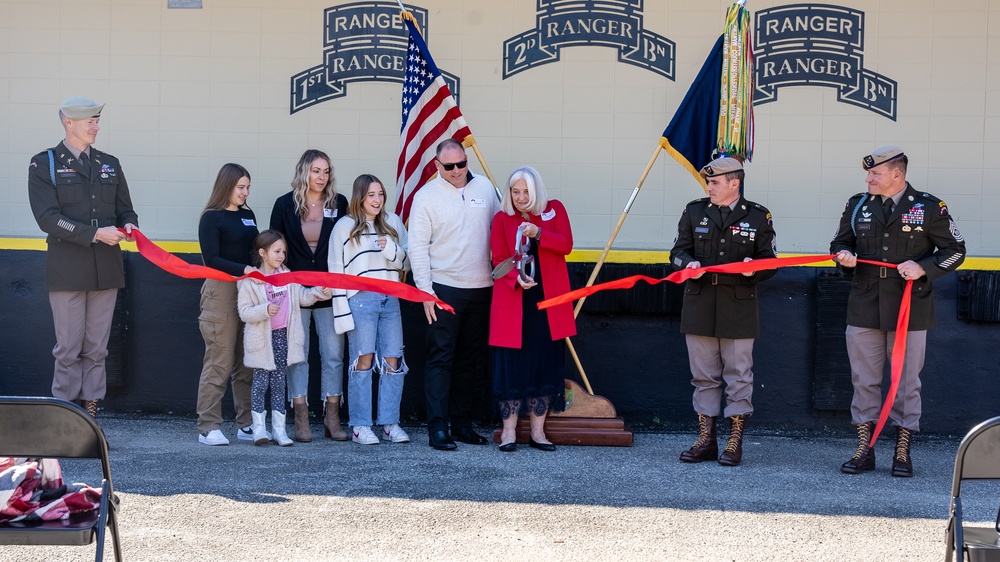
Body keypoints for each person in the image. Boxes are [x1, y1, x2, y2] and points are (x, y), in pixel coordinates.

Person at [831, 146, 965, 478]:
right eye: (868, 173)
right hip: (864, 304)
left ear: (897, 174)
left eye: (875, 174)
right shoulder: (857, 204)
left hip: (910, 306)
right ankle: (865, 447)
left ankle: (902, 450)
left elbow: (956, 251)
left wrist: (923, 268)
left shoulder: (930, 207)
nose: (868, 179)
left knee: (906, 383)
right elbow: (839, 243)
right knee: (864, 380)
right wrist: (844, 256)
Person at [28, 97, 138, 418]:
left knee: (97, 348)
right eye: (89, 121)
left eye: (97, 120)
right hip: (67, 269)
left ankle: (90, 413)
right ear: (68, 122)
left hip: (106, 268)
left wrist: (130, 224)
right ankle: (66, 415)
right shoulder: (45, 163)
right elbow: (47, 218)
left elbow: (125, 208)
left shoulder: (109, 163)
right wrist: (94, 234)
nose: (96, 126)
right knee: (67, 350)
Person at [669, 157, 777, 467]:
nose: (709, 187)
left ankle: (734, 441)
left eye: (715, 182)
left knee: (738, 377)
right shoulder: (694, 211)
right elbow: (677, 251)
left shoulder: (758, 216)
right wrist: (686, 264)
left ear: (734, 183)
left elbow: (769, 261)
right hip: (699, 302)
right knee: (703, 377)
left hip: (738, 304)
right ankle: (706, 440)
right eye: (709, 182)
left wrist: (752, 271)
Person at [408, 139, 501, 450]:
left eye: (462, 163)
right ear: (437, 166)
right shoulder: (425, 197)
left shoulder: (486, 188)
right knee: (441, 360)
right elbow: (417, 247)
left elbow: (501, 231)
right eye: (450, 166)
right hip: (443, 290)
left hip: (482, 288)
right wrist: (425, 292)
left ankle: (462, 425)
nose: (458, 170)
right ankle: (438, 429)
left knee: (469, 362)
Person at [489, 166, 575, 452]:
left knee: (543, 364)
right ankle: (509, 432)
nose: (521, 197)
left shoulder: (554, 210)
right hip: (513, 301)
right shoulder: (502, 219)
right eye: (515, 192)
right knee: (511, 366)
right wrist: (517, 278)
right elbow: (499, 260)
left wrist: (539, 233)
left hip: (547, 304)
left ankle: (539, 433)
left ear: (536, 190)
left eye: (526, 191)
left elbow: (566, 245)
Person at [269, 149, 349, 442]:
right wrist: (297, 286)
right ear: (304, 172)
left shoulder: (339, 204)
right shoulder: (284, 205)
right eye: (316, 171)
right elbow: (275, 249)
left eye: (326, 171)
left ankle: (332, 418)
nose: (322, 177)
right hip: (296, 293)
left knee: (333, 356)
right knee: (298, 356)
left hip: (331, 292)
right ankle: (301, 418)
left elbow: (346, 245)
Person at [328, 174, 411, 446]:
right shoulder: (344, 226)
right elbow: (335, 272)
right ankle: (360, 425)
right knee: (362, 361)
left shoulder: (394, 222)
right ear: (360, 197)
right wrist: (341, 314)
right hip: (360, 300)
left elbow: (406, 262)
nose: (377, 200)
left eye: (380, 194)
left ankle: (389, 423)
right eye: (371, 195)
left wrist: (392, 250)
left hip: (390, 298)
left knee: (393, 362)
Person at [238, 230, 332, 447]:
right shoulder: (251, 281)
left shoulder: (288, 277)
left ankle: (279, 430)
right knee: (260, 384)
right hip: (261, 340)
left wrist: (319, 292)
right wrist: (264, 309)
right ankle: (259, 429)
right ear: (262, 252)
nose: (281, 256)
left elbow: (303, 298)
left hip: (283, 337)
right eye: (277, 251)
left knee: (279, 383)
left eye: (283, 251)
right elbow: (244, 312)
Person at [195, 163, 260, 446]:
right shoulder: (212, 217)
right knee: (219, 360)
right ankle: (208, 425)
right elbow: (211, 259)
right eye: (240, 187)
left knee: (246, 363)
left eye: (247, 187)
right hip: (221, 290)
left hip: (248, 291)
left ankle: (245, 424)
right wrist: (244, 269)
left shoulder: (248, 216)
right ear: (226, 186)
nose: (245, 193)